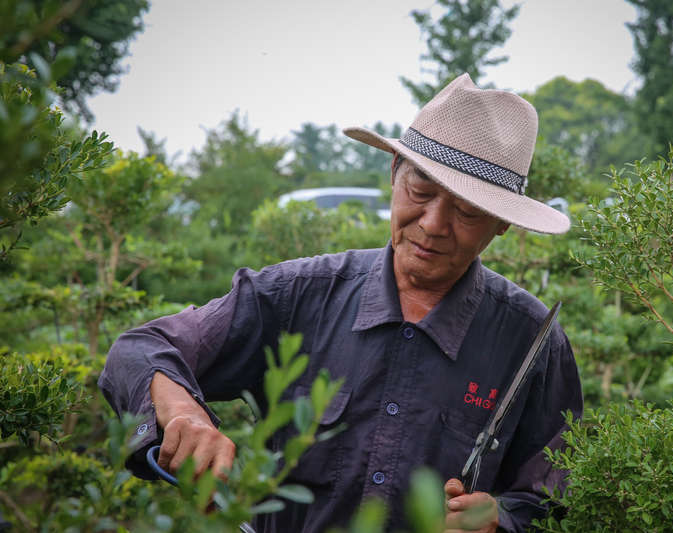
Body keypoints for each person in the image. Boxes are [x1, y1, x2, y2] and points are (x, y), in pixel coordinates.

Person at [99, 73, 582, 533]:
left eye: (468, 211)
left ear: (501, 224)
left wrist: (503, 519)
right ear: (394, 173)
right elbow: (141, 348)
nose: (433, 224)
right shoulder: (297, 296)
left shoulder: (532, 343)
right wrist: (185, 414)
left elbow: (557, 500)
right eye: (421, 190)